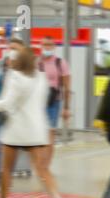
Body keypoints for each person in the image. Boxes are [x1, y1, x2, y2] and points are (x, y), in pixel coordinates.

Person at [0, 48, 66, 198]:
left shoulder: (14, 76)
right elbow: (43, 101)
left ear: (17, 61)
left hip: (16, 130)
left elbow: (7, 104)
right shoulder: (41, 77)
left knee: (6, 169)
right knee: (42, 169)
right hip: (36, 129)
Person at [0, 38, 25, 193]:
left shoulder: (24, 69)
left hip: (14, 114)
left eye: (16, 48)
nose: (12, 51)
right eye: (11, 48)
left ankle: (7, 179)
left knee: (11, 148)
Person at [39, 36, 71, 168]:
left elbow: (67, 87)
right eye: (45, 45)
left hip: (53, 103)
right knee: (39, 134)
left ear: (54, 47)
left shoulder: (60, 63)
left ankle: (45, 166)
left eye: (50, 45)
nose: (47, 47)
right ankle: (40, 164)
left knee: (49, 134)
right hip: (38, 103)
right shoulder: (37, 63)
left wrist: (66, 108)